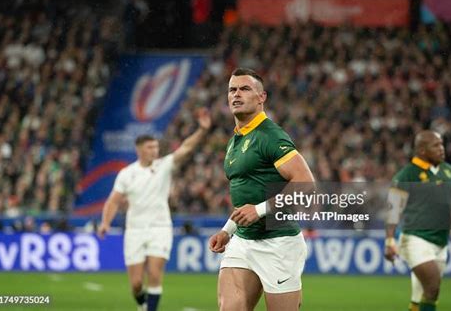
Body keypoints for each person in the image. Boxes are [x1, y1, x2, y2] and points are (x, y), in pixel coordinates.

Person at [209, 68, 315, 311]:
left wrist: (260, 210)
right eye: (232, 89)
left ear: (261, 97)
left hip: (279, 243)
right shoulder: (235, 140)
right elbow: (246, 196)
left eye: (245, 89)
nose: (236, 94)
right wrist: (228, 230)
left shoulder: (270, 135)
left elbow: (306, 183)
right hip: (243, 241)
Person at [97, 108, 211, 311]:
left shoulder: (164, 166)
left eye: (156, 147)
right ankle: (142, 305)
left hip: (160, 227)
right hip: (135, 230)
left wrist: (202, 131)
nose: (155, 151)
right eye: (150, 147)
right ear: (139, 149)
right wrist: (105, 222)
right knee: (136, 285)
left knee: (155, 275)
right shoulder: (126, 174)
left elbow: (185, 149)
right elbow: (113, 201)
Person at [384, 130, 451, 311]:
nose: (442, 149)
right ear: (422, 150)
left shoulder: (449, 172)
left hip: (441, 242)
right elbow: (393, 211)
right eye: (436, 145)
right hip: (415, 239)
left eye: (441, 144)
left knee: (423, 298)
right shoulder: (406, 175)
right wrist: (389, 240)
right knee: (432, 286)